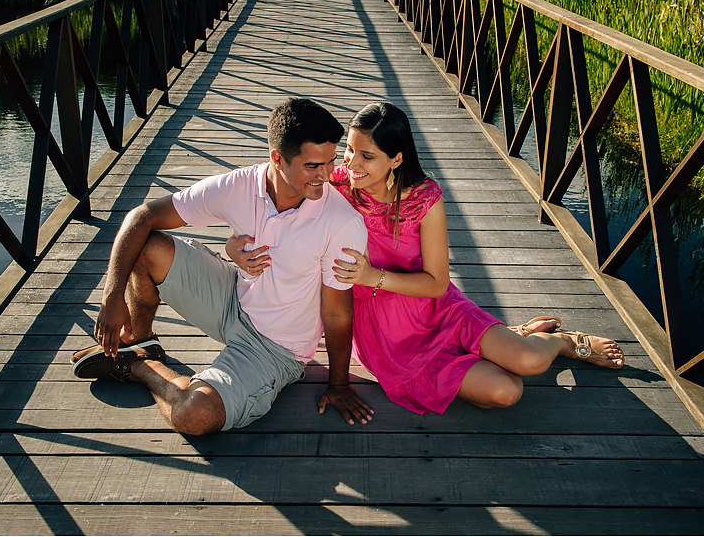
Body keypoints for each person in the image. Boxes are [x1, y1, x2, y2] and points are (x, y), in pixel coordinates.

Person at [227, 101, 623, 416]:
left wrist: (372, 277)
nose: (348, 164)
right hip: (383, 330)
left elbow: (436, 283)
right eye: (349, 150)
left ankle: (562, 342)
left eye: (366, 156)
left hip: (433, 307)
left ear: (395, 160)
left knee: (529, 361)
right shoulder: (335, 183)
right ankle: (511, 335)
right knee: (505, 391)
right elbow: (274, 195)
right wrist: (233, 246)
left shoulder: (424, 199)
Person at [72, 97, 374, 434]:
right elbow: (141, 217)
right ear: (277, 158)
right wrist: (111, 297)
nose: (326, 175)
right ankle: (140, 339)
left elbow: (336, 313)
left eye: (331, 162)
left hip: (275, 348)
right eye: (313, 166)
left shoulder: (342, 223)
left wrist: (338, 386)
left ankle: (139, 365)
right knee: (148, 246)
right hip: (232, 298)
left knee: (193, 414)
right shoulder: (238, 186)